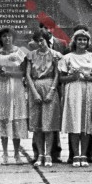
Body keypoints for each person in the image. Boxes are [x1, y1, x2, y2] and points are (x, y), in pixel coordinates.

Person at [0, 28, 29, 164]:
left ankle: (17, 154)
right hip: (1, 87)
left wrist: (10, 74)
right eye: (4, 36)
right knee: (4, 118)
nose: (7, 39)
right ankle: (4, 153)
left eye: (9, 36)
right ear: (0, 38)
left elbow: (24, 73)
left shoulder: (20, 52)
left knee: (16, 119)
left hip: (15, 87)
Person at [59, 28, 92, 166]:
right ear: (75, 41)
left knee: (86, 122)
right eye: (79, 39)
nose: (82, 42)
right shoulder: (67, 57)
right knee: (74, 121)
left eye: (84, 39)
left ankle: (84, 155)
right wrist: (72, 77)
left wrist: (90, 77)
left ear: (88, 42)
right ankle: (75, 155)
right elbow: (61, 78)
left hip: (87, 89)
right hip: (73, 89)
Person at [26, 29, 61, 168]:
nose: (40, 43)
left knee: (49, 124)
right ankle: (40, 154)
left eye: (42, 40)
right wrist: (33, 92)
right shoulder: (31, 55)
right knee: (37, 125)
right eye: (37, 41)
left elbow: (57, 74)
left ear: (47, 40)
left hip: (49, 86)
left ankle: (48, 154)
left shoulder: (55, 55)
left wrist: (52, 91)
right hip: (35, 87)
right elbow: (28, 75)